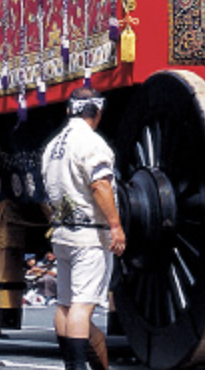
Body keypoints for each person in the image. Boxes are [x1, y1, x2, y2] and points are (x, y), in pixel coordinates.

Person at [42, 87, 126, 370]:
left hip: (63, 231)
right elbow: (100, 184)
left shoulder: (52, 146)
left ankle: (71, 365)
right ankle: (78, 367)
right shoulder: (91, 142)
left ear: (69, 111)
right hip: (89, 234)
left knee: (65, 304)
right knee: (81, 305)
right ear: (98, 113)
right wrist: (115, 225)